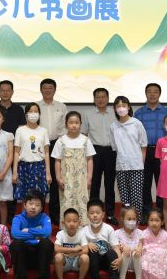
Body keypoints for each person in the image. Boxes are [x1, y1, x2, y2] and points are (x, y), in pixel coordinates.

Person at [0, 80, 25, 220]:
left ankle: (9, 219)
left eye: (8, 90)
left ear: (12, 92)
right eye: (3, 90)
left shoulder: (18, 110)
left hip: (12, 151)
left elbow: (21, 131)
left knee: (8, 187)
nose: (5, 93)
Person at [134, 83, 167, 218]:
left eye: (155, 91)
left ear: (159, 94)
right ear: (145, 94)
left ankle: (160, 214)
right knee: (145, 183)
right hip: (144, 151)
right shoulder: (139, 113)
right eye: (149, 91)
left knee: (162, 183)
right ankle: (146, 213)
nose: (152, 94)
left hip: (163, 152)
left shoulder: (166, 112)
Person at [52, 111, 95, 224]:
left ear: (80, 124)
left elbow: (90, 159)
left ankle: (83, 225)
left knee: (82, 202)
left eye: (76, 122)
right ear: (66, 124)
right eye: (71, 122)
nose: (74, 125)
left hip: (82, 179)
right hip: (66, 179)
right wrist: (58, 178)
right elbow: (57, 160)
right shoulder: (61, 141)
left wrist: (89, 178)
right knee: (66, 202)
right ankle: (66, 226)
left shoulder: (86, 140)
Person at [11, 190, 54, 279]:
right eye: (30, 203)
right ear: (24, 205)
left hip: (40, 257)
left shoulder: (45, 218)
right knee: (16, 243)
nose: (33, 207)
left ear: (42, 208)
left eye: (37, 205)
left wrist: (28, 230)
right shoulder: (18, 218)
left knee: (47, 243)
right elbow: (15, 234)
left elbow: (47, 233)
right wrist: (37, 235)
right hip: (23, 257)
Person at [83, 88, 118, 223]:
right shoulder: (88, 114)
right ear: (94, 99)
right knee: (94, 184)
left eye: (103, 97)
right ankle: (93, 214)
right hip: (94, 151)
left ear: (108, 99)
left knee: (110, 184)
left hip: (111, 151)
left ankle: (110, 214)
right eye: (97, 97)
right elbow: (84, 134)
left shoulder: (115, 113)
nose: (101, 99)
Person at [36, 78, 68, 225]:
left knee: (56, 180)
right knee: (40, 181)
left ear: (55, 90)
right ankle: (38, 214)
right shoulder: (36, 106)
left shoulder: (61, 106)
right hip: (39, 145)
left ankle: (55, 215)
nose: (47, 90)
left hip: (57, 143)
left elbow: (66, 126)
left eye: (50, 88)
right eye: (45, 88)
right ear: (41, 89)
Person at [110, 96, 147, 215]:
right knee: (125, 198)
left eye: (124, 105)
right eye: (118, 106)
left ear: (129, 107)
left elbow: (143, 145)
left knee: (136, 198)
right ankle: (127, 222)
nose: (121, 108)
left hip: (136, 166)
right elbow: (114, 147)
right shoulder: (113, 126)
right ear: (115, 109)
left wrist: (141, 163)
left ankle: (136, 221)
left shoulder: (137, 123)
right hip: (121, 166)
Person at [13, 102, 51, 206]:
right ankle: (24, 217)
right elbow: (16, 152)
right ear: (26, 114)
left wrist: (48, 173)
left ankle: (39, 216)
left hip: (39, 167)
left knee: (39, 197)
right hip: (24, 167)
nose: (33, 113)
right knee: (25, 198)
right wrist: (15, 172)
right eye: (30, 111)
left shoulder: (43, 131)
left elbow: (46, 152)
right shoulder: (20, 130)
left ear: (39, 114)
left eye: (36, 111)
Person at [84, 198, 123, 279]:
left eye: (98, 213)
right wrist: (87, 244)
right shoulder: (84, 230)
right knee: (92, 250)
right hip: (93, 262)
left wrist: (120, 258)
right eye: (91, 213)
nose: (95, 215)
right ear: (87, 215)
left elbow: (115, 247)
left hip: (107, 261)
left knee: (111, 252)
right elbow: (81, 247)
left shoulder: (108, 229)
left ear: (103, 214)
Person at [53, 207, 90, 279]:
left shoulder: (81, 233)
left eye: (75, 221)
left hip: (77, 262)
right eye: (68, 221)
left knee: (85, 257)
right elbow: (56, 249)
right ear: (63, 223)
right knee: (58, 256)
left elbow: (86, 250)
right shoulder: (61, 234)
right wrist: (73, 249)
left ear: (79, 223)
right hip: (65, 262)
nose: (72, 224)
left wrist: (74, 253)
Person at [140, 209, 167, 279]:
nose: (154, 223)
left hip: (161, 257)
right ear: (148, 221)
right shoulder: (144, 233)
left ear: (162, 222)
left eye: (157, 220)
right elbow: (142, 247)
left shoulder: (166, 234)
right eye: (151, 220)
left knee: (163, 254)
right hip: (148, 256)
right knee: (147, 258)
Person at [115, 206, 144, 279]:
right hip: (124, 261)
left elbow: (141, 245)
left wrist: (139, 249)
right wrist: (123, 248)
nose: (132, 221)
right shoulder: (117, 233)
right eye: (129, 219)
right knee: (126, 253)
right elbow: (116, 247)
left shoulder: (139, 232)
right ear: (122, 219)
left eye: (134, 219)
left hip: (136, 261)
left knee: (135, 252)